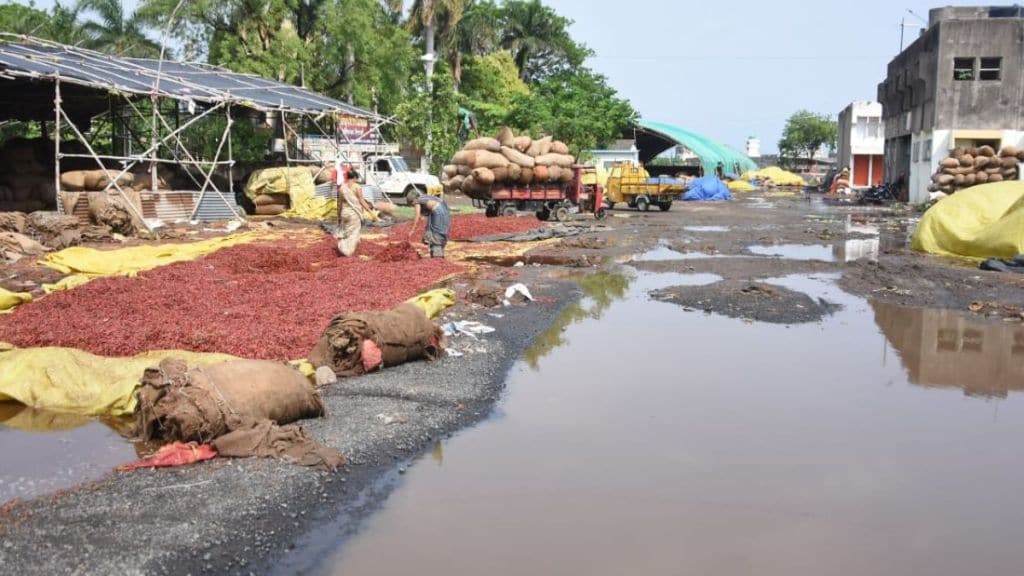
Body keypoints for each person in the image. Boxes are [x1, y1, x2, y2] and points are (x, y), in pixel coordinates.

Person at [336, 168, 372, 256]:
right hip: (354, 213)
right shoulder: (357, 187)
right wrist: (369, 210)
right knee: (353, 233)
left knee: (347, 231)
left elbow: (339, 203)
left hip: (344, 213)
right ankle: (346, 250)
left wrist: (339, 216)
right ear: (355, 177)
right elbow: (361, 200)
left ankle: (347, 248)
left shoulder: (342, 188)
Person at [408, 192, 450, 258]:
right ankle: (439, 253)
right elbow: (423, 215)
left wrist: (412, 230)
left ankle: (437, 255)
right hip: (444, 210)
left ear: (412, 200)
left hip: (438, 211)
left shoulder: (417, 201)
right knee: (440, 230)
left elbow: (417, 217)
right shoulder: (424, 197)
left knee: (435, 232)